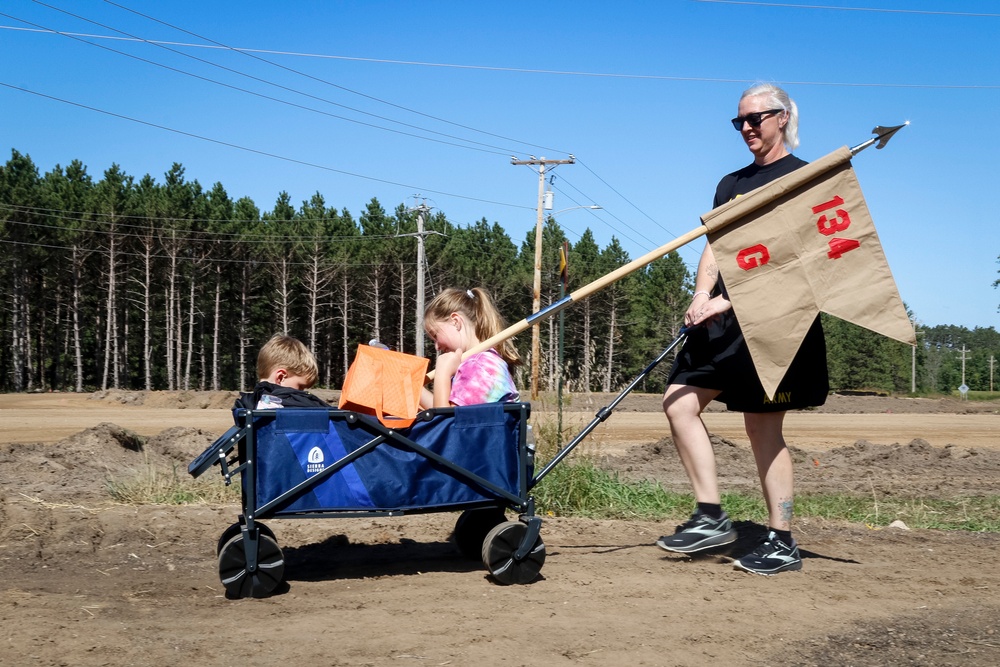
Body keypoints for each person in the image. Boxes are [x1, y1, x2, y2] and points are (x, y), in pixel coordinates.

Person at [656, 83, 829, 575]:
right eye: (740, 121)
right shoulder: (730, 184)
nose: (747, 128)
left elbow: (802, 261)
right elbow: (715, 244)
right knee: (678, 401)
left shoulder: (806, 178)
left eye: (756, 118)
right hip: (721, 321)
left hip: (776, 321)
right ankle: (710, 516)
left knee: (762, 426)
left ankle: (782, 540)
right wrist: (700, 295)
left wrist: (728, 300)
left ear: (783, 117)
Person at [420, 287, 521, 408]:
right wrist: (411, 388)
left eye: (436, 335)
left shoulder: (478, 366)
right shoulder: (481, 362)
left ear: (456, 321)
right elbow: (444, 410)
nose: (437, 347)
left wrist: (443, 373)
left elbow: (445, 422)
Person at [235, 333, 331, 409]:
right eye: (300, 387)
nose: (302, 393)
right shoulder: (288, 407)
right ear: (281, 377)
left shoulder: (248, 407)